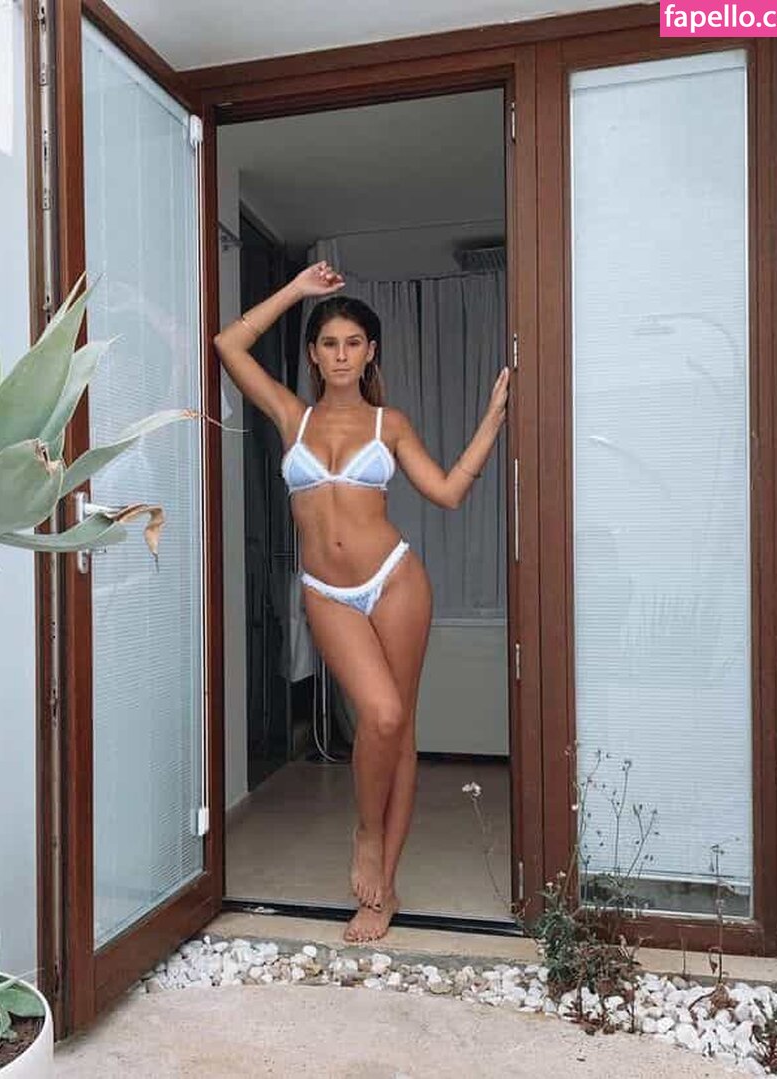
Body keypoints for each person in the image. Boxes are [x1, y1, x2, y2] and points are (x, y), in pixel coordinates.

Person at [213, 260, 510, 942]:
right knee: (378, 712)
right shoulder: (292, 415)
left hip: (396, 580)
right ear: (314, 355)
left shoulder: (388, 424)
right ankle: (366, 832)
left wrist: (492, 420)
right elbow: (230, 344)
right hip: (329, 592)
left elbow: (447, 492)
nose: (342, 354)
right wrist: (296, 290)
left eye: (353, 343)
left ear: (370, 351)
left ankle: (384, 886)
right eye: (329, 344)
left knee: (398, 728)